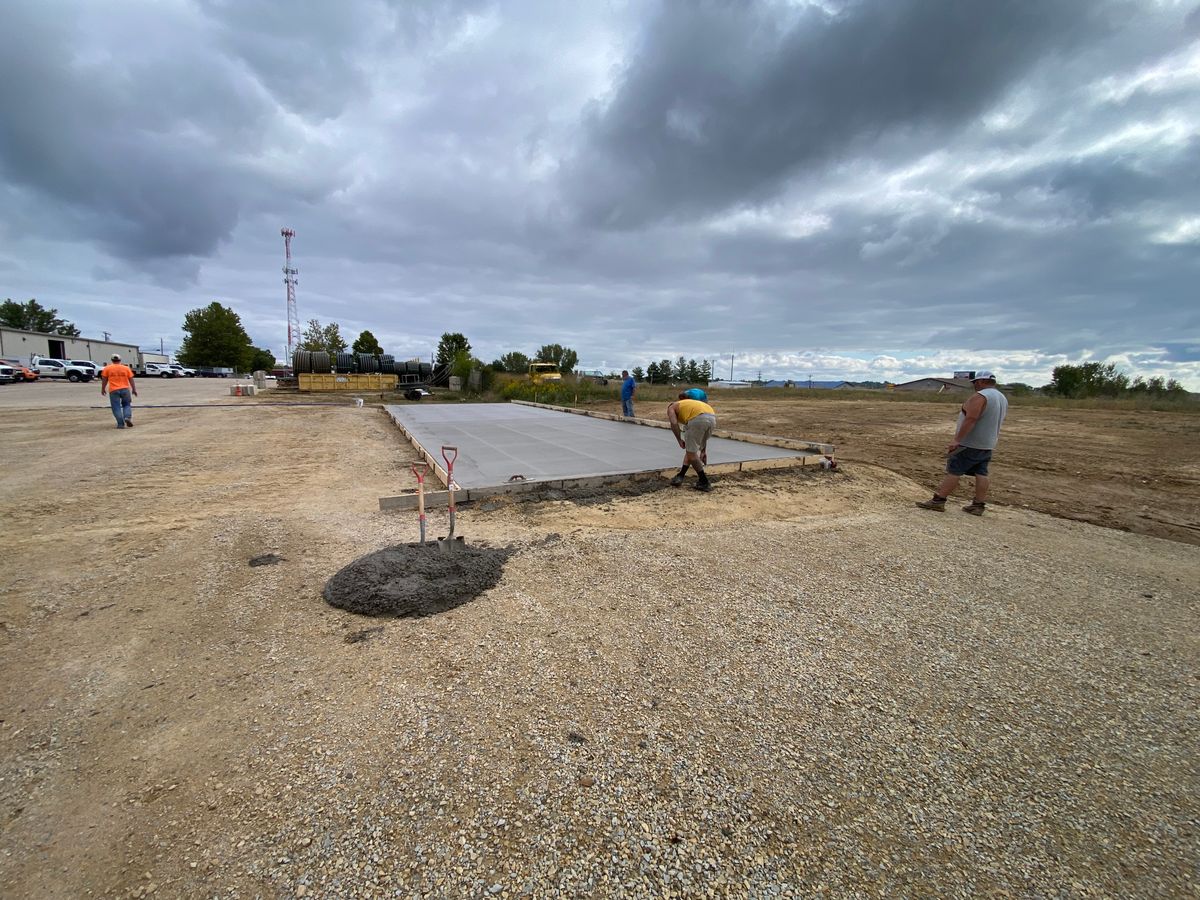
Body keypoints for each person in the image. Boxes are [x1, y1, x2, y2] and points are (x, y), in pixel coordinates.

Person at [916, 371, 1009, 515]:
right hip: (987, 443)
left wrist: (957, 440)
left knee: (954, 471)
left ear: (981, 381)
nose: (974, 385)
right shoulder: (1001, 397)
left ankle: (938, 501)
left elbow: (971, 418)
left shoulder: (981, 396)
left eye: (975, 382)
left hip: (969, 443)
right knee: (981, 472)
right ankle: (978, 505)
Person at [667, 396, 716, 491]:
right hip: (712, 418)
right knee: (690, 451)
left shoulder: (671, 407)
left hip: (697, 419)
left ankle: (704, 482)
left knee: (691, 454)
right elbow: (702, 436)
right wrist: (703, 451)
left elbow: (674, 424)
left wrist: (679, 440)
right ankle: (680, 476)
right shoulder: (687, 405)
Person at [100, 354, 138, 429]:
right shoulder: (126, 368)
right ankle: (127, 417)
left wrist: (103, 388)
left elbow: (104, 379)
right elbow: (131, 379)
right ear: (120, 360)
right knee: (126, 404)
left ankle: (120, 424)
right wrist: (134, 389)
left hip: (113, 390)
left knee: (116, 407)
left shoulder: (107, 368)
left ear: (112, 360)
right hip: (125, 389)